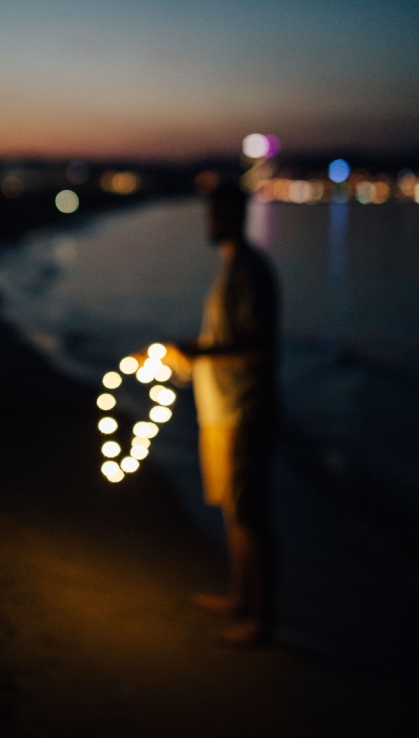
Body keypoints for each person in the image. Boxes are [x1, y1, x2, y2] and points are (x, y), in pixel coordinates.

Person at [160, 183, 280, 645]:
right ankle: (240, 597)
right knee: (236, 513)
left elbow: (258, 346)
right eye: (209, 211)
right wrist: (184, 357)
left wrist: (193, 351)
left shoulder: (252, 271)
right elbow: (223, 342)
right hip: (220, 413)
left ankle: (263, 619)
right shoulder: (230, 269)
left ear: (239, 212)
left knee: (252, 515)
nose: (211, 219)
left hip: (245, 410)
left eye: (220, 211)